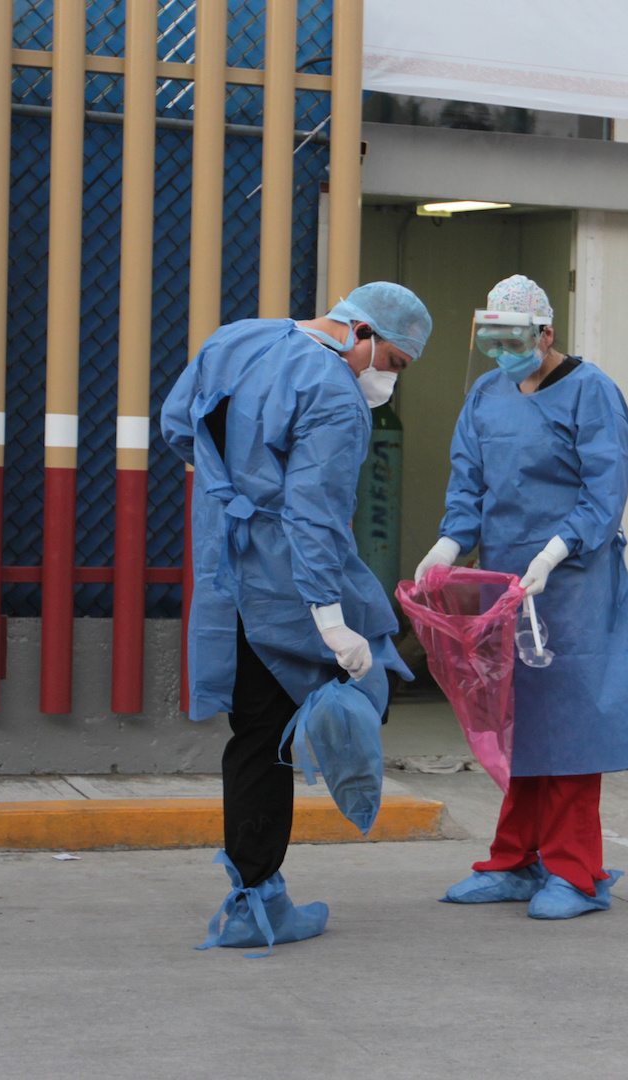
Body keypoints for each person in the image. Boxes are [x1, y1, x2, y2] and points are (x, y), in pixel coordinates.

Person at [161, 282, 433, 951]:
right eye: (393, 363)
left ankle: (257, 894)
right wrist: (330, 618)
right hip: (284, 580)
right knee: (293, 723)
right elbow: (314, 515)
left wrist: (234, 486)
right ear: (362, 332)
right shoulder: (335, 396)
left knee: (252, 733)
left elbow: (176, 425)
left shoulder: (238, 338)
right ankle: (257, 904)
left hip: (224, 563)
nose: (387, 381)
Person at [414, 275, 628, 921]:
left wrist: (555, 552)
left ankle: (575, 873)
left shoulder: (591, 392)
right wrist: (449, 542)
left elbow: (604, 490)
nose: (502, 355)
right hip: (503, 584)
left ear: (546, 334)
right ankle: (515, 861)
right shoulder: (485, 394)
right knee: (515, 724)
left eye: (514, 342)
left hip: (574, 584)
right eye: (491, 343)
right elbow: (469, 478)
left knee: (570, 729)